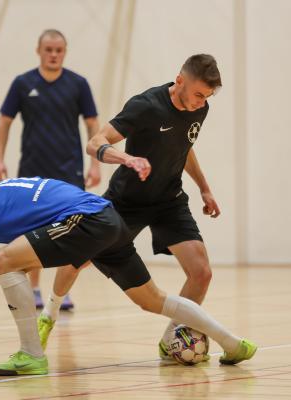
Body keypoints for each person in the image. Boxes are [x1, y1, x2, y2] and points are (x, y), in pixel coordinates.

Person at [0, 176, 257, 376]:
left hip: (87, 220)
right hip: (109, 219)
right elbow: (53, 248)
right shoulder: (0, 190)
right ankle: (233, 344)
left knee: (2, 260)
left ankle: (31, 354)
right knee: (152, 299)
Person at [47, 54, 223, 360]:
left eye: (207, 97)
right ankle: (48, 315)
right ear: (179, 80)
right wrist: (126, 158)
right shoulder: (146, 106)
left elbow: (185, 146)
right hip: (127, 201)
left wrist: (204, 188)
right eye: (198, 94)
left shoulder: (200, 108)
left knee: (202, 273)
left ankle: (172, 341)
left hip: (168, 201)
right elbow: (95, 142)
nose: (201, 103)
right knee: (78, 256)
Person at [0, 29, 101, 311]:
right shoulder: (23, 83)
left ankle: (61, 293)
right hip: (33, 169)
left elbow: (92, 123)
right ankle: (35, 289)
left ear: (64, 52)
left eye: (58, 50)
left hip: (69, 169)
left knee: (73, 231)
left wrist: (95, 164)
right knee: (34, 229)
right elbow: (4, 121)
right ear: (38, 51)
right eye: (48, 50)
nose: (53, 55)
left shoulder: (78, 84)